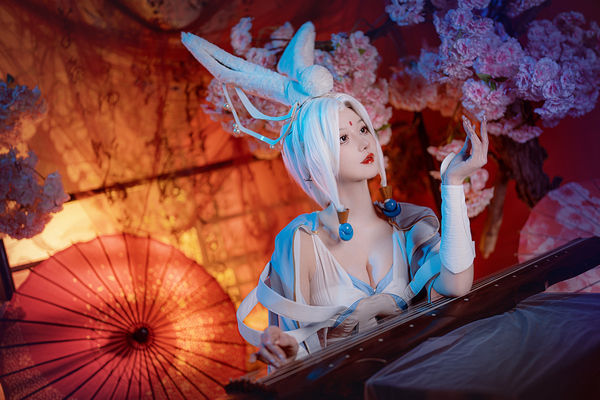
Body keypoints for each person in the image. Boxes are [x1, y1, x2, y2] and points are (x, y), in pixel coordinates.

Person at [181, 22, 488, 369]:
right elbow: (297, 351)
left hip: (426, 373)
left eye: (362, 128)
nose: (363, 142)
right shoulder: (302, 241)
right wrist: (283, 347)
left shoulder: (407, 223)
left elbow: (457, 284)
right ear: (315, 154)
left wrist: (452, 184)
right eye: (342, 137)